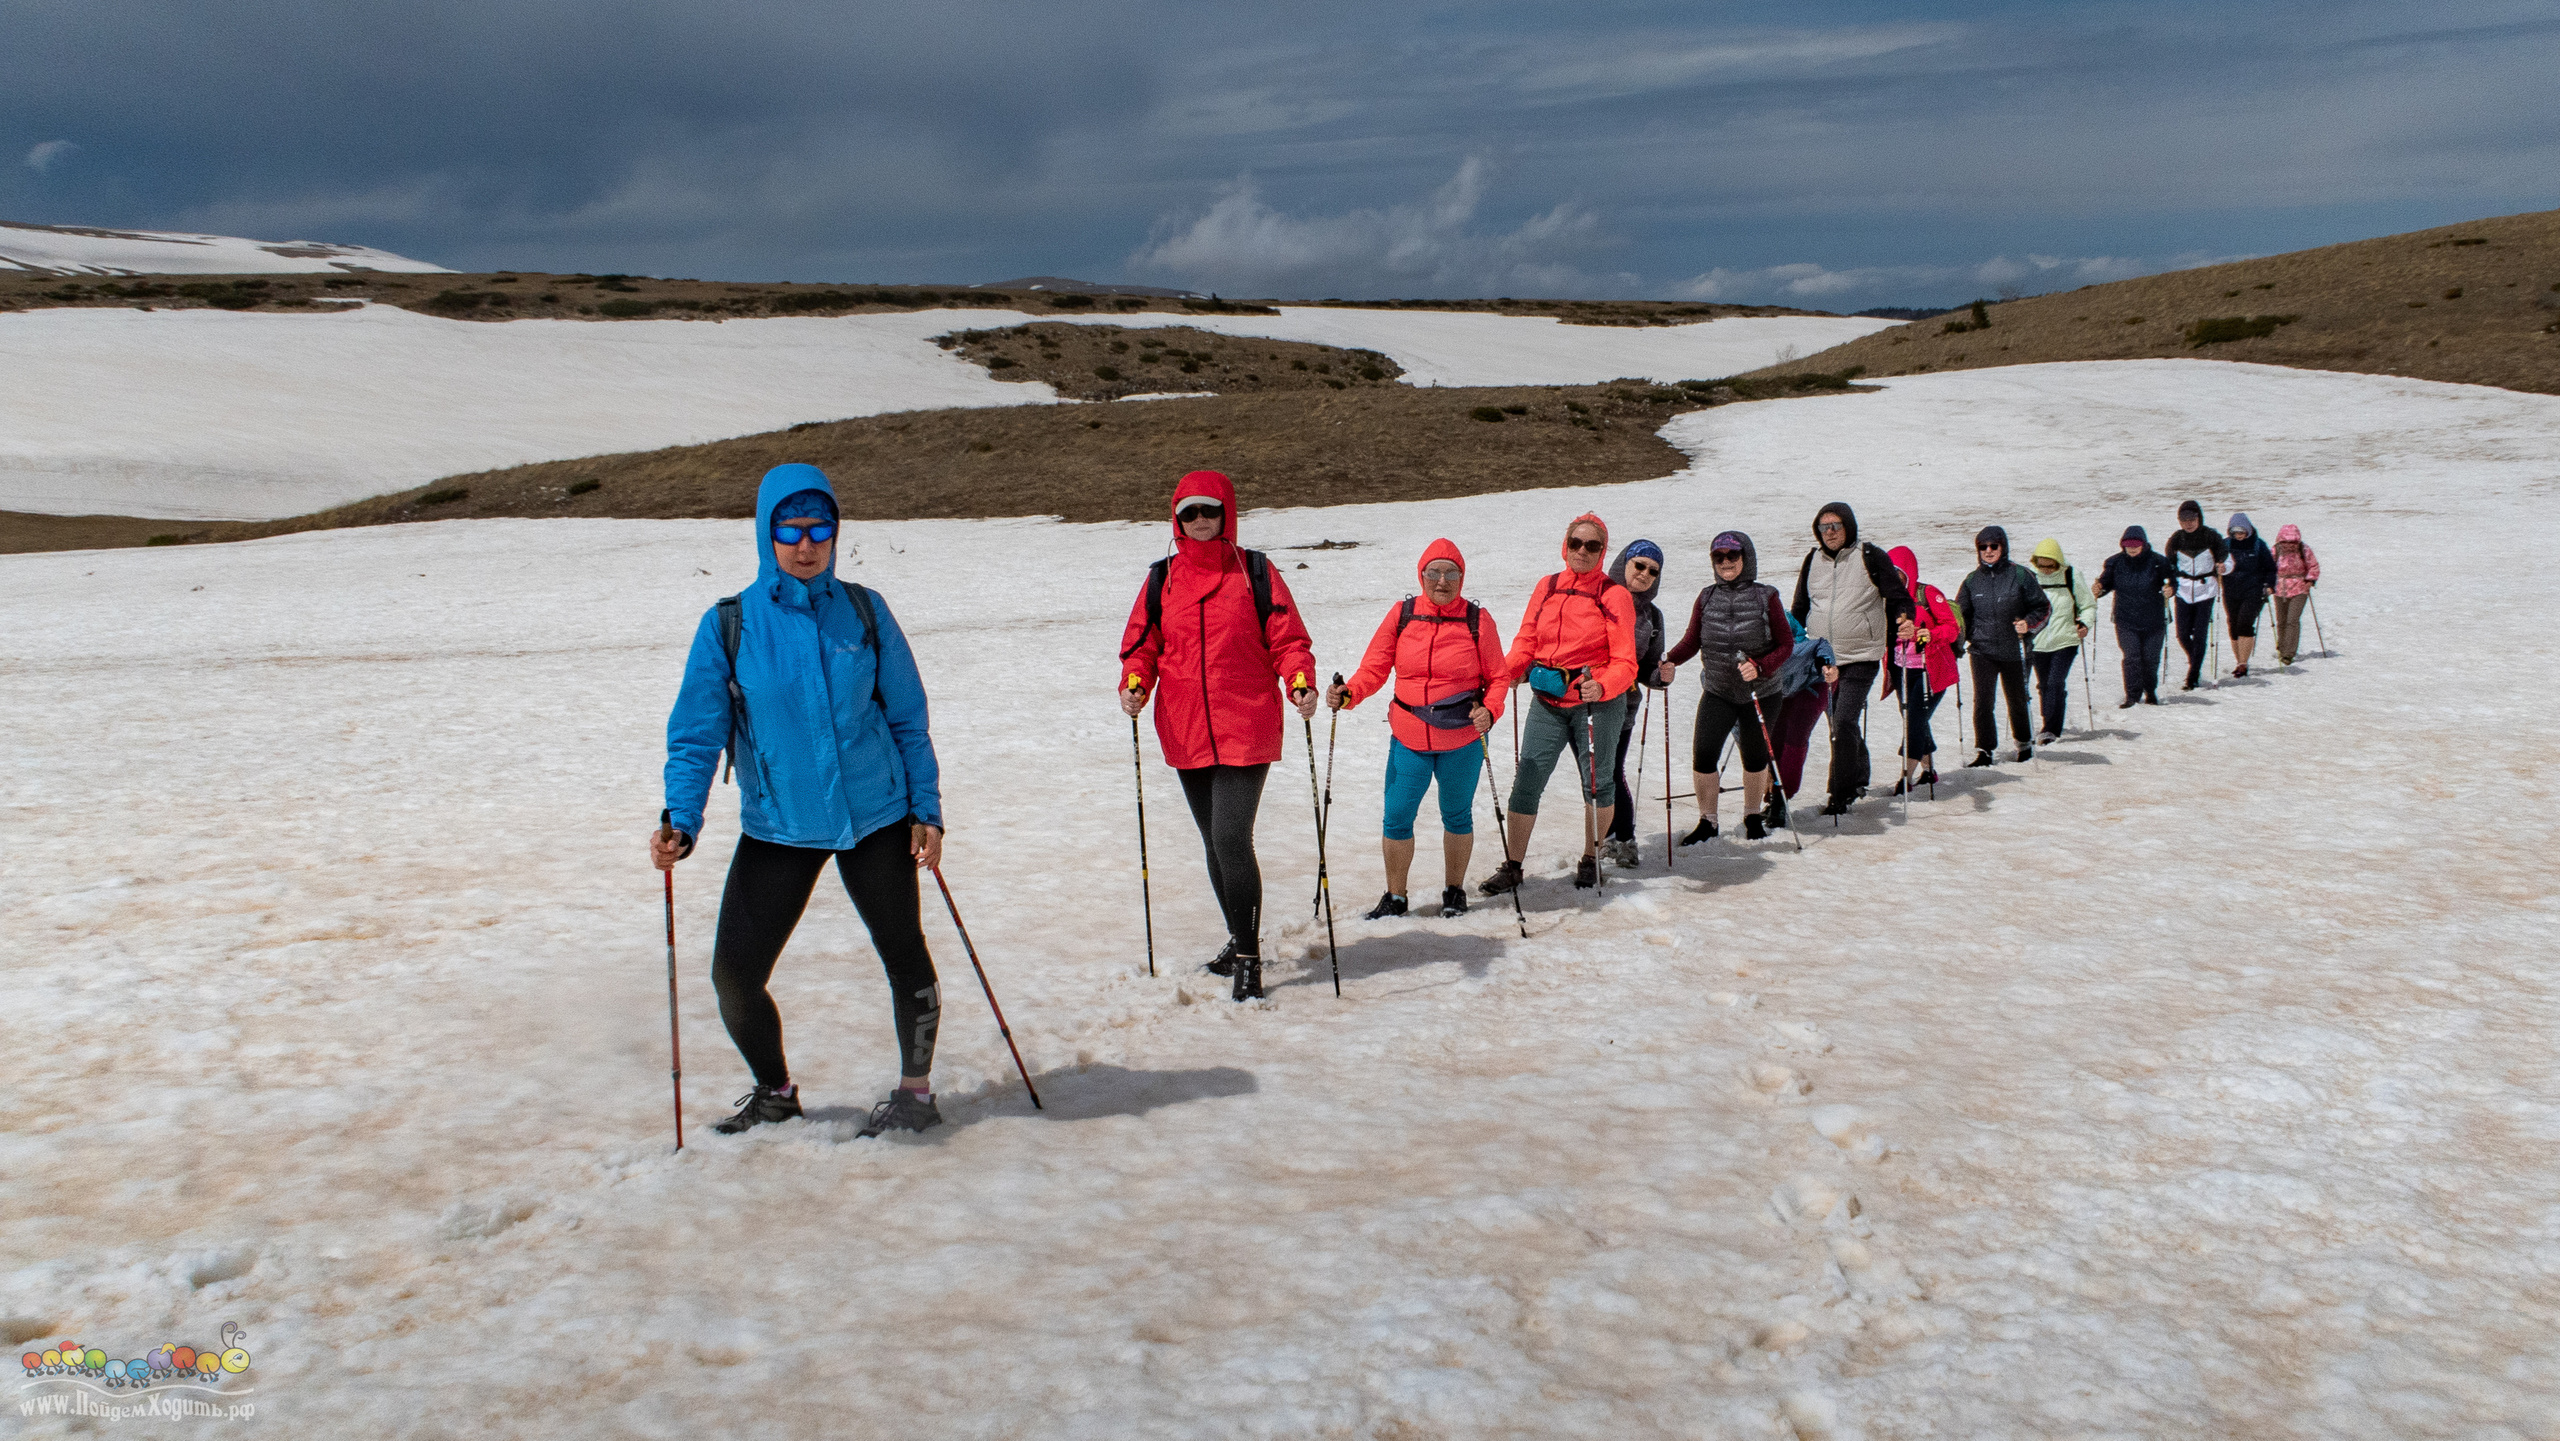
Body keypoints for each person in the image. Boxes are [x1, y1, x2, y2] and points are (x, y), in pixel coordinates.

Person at [656, 464, 950, 1139]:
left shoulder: (865, 611)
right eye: (790, 526)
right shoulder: (730, 625)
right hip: (779, 826)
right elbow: (697, 734)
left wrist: (926, 809)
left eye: (821, 525)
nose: (807, 541)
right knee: (734, 977)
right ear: (767, 532)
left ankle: (916, 1092)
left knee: (904, 953)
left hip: (877, 817)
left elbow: (907, 717)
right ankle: (775, 1089)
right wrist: (681, 817)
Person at [1118, 470, 1318, 1002]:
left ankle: (1249, 957)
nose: (1201, 521)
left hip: (1246, 721)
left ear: (1226, 512)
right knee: (1213, 840)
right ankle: (1238, 936)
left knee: (1231, 836)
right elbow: (1142, 644)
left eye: (1209, 510)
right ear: (1176, 518)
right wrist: (1134, 682)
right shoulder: (1163, 578)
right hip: (1185, 726)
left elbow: (1288, 638)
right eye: (1190, 513)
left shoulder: (1254, 570)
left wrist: (1300, 680)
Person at [1327, 539, 1506, 920]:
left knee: (1456, 814)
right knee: (1396, 815)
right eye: (1434, 573)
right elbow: (1374, 667)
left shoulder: (1477, 620)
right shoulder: (1403, 614)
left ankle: (1454, 891)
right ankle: (1395, 896)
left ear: (1461, 578)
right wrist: (1350, 694)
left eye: (1451, 573)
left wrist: (1490, 710)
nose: (1442, 581)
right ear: (1421, 576)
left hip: (1462, 738)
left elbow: (1499, 676)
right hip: (1409, 736)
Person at [1482, 513, 1638, 894]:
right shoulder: (1548, 586)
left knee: (1598, 785)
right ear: (1565, 545)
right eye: (1576, 543)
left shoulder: (1614, 594)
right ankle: (1513, 865)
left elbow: (1626, 662)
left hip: (1595, 705)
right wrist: (1510, 671)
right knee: (1527, 780)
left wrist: (1601, 686)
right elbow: (1527, 639)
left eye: (1592, 545)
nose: (1582, 552)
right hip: (1548, 700)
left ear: (1603, 552)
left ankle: (1591, 858)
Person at [1661, 531, 1792, 840]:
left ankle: (1752, 817)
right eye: (1718, 557)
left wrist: (1760, 666)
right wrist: (1670, 660)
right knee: (1704, 754)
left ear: (1745, 558)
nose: (1725, 562)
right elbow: (1692, 640)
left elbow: (1786, 645)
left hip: (1761, 692)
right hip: (1719, 690)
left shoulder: (1767, 596)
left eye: (1732, 556)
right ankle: (1708, 821)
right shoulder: (1706, 597)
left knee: (1755, 757)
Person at [1789, 502, 1914, 817]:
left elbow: (1899, 597)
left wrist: (1904, 619)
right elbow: (1801, 605)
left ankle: (1839, 792)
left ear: (1849, 527)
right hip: (1824, 659)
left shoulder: (1869, 556)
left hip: (1861, 655)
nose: (1829, 532)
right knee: (1839, 724)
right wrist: (1790, 641)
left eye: (1836, 525)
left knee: (1843, 722)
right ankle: (1858, 776)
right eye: (1823, 526)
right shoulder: (1812, 560)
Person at [1953, 526, 2051, 766]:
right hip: (1982, 650)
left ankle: (2024, 743)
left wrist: (2028, 624)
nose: (1988, 551)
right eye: (1982, 547)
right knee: (1983, 701)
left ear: (2003, 547)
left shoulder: (2020, 575)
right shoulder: (1972, 581)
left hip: (2014, 649)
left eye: (1993, 546)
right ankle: (1984, 750)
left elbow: (2043, 607)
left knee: (2017, 699)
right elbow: (1959, 616)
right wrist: (1956, 642)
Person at [1600, 540, 1669, 867]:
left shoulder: (1652, 616)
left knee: (1611, 772)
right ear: (1623, 564)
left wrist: (1661, 676)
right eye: (1639, 565)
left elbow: (1649, 668)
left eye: (1652, 571)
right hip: (1584, 701)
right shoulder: (1597, 599)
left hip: (1624, 705)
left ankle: (1623, 839)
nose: (1644, 574)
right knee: (1598, 775)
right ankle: (1610, 837)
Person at [1886, 546, 1960, 794]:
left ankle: (1905, 778)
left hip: (1930, 669)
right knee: (1914, 718)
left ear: (1908, 572)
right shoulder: (1886, 600)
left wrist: (1928, 634)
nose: (1892, 578)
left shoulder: (1927, 594)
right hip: (1900, 668)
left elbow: (1952, 628)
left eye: (1897, 572)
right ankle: (1929, 772)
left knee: (1914, 720)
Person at [2092, 525, 2176, 706]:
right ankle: (2132, 695)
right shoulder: (2115, 563)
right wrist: (2099, 589)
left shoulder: (2158, 561)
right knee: (2132, 657)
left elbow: (2172, 581)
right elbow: (2105, 583)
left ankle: (2150, 690)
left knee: (2150, 658)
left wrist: (2171, 589)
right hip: (2126, 620)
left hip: (2154, 620)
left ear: (2144, 544)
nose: (2131, 548)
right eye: (2127, 544)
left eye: (2135, 544)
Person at [2027, 537, 2098, 743]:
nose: (2046, 570)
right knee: (2043, 685)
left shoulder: (2071, 576)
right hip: (2038, 642)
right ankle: (2049, 722)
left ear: (2058, 562)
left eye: (2050, 566)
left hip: (2065, 640)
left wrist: (2084, 624)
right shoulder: (2031, 578)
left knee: (2055, 683)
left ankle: (2051, 727)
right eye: (2042, 565)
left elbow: (2088, 605)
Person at [2165, 499, 2230, 690]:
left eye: (2192, 518)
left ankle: (2192, 676)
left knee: (2200, 634)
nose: (2188, 523)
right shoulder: (2176, 539)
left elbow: (2223, 553)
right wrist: (2170, 584)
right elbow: (2169, 564)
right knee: (2182, 634)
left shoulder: (2211, 536)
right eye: (2184, 519)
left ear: (2199, 518)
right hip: (2184, 589)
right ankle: (2195, 660)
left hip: (2206, 589)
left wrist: (2221, 564)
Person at [1769, 612, 1833, 805]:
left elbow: (1821, 644)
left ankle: (1782, 796)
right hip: (1788, 689)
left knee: (1796, 732)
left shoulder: (1797, 650)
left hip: (1814, 684)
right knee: (1775, 737)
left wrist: (1826, 663)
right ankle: (1773, 792)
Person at [2223, 513, 2276, 677]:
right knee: (2233, 624)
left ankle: (2243, 664)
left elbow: (2270, 568)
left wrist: (2270, 585)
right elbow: (2217, 564)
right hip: (2231, 591)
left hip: (2253, 590)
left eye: (2241, 532)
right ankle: (2239, 660)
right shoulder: (2225, 545)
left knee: (2244, 623)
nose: (2239, 536)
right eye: (2235, 533)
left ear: (2248, 530)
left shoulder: (2258, 545)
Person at [2271, 523, 2322, 665]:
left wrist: (2310, 581)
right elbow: (2267, 567)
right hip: (2279, 588)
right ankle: (2282, 647)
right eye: (2285, 541)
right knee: (2281, 620)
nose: (2288, 544)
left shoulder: (2303, 550)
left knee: (2292, 620)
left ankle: (2288, 653)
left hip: (2299, 588)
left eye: (2292, 541)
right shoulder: (2275, 550)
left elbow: (2313, 566)